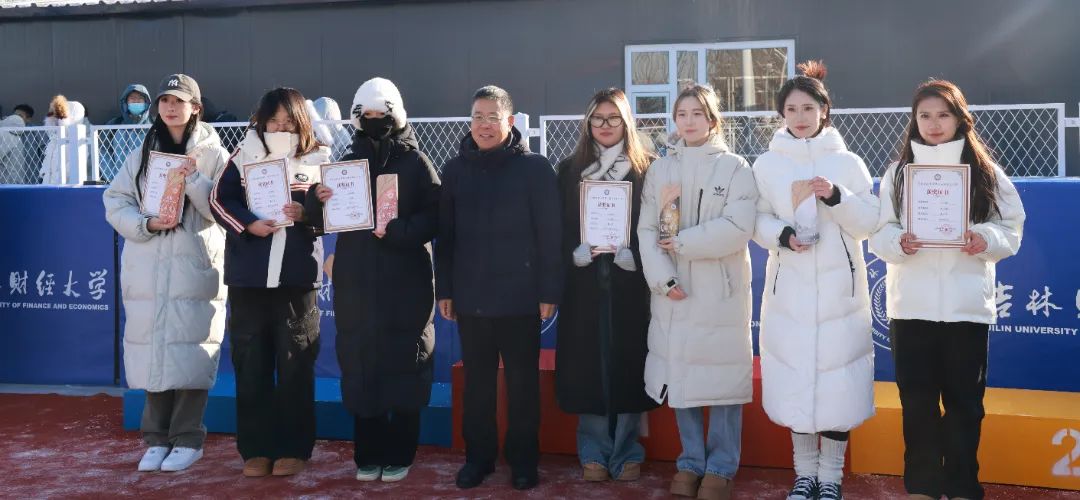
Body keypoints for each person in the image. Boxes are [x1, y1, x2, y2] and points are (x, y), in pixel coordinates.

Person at [868, 79, 1025, 500]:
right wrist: (898, 243)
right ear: (914, 121)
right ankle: (922, 486)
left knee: (965, 404)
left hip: (965, 308)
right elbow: (879, 232)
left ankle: (961, 486)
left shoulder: (985, 173)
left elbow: (1011, 228)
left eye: (943, 115)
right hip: (911, 308)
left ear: (959, 119)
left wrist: (984, 239)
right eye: (925, 115)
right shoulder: (897, 174)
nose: (934, 124)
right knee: (917, 403)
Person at [751, 61, 880, 500]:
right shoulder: (767, 165)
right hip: (789, 288)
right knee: (796, 382)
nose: (800, 116)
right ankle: (804, 476)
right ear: (781, 114)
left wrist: (837, 196)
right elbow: (756, 219)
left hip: (840, 293)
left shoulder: (847, 163)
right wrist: (781, 235)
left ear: (824, 110)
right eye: (791, 109)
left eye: (808, 107)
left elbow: (869, 222)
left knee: (837, 387)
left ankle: (831, 478)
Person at [305, 77, 440, 483]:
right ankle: (368, 453)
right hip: (357, 284)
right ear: (356, 118)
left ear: (396, 116)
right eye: (367, 115)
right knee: (362, 366)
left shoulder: (416, 163)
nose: (375, 121)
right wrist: (316, 200)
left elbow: (437, 216)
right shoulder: (345, 163)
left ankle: (400, 452)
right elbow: (320, 220)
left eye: (382, 114)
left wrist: (401, 231)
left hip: (406, 284)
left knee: (406, 363)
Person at [434, 85, 562, 491]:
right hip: (471, 299)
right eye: (477, 117)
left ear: (510, 121)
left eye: (492, 117)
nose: (484, 125)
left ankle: (523, 461)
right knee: (477, 387)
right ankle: (479, 459)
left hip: (521, 299)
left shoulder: (535, 169)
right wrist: (445, 289)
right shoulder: (454, 170)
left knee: (522, 387)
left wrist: (549, 291)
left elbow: (550, 234)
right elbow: (445, 237)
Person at [102, 73, 229, 473]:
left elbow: (223, 208)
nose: (170, 107)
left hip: (194, 265)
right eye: (164, 101)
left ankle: (188, 438)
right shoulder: (142, 151)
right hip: (148, 264)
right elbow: (115, 200)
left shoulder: (214, 153)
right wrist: (146, 224)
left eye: (179, 101)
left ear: (196, 108)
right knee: (154, 350)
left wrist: (193, 180)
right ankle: (156, 438)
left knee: (190, 352)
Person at [637, 84, 758, 500]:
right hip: (674, 291)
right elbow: (647, 229)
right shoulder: (661, 169)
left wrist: (683, 243)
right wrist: (663, 279)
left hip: (719, 293)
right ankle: (690, 461)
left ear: (712, 119)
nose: (689, 121)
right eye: (682, 114)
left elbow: (738, 227)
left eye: (697, 113)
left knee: (722, 380)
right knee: (681, 377)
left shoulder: (735, 168)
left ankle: (721, 467)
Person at [210, 87, 330, 478]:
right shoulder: (243, 153)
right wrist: (249, 223)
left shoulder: (319, 157)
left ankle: (294, 448)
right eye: (273, 121)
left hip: (297, 279)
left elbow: (336, 211)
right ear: (261, 122)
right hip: (249, 279)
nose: (280, 128)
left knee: (296, 365)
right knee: (251, 365)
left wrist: (306, 212)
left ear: (302, 123)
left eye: (288, 122)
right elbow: (219, 200)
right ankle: (256, 449)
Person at [553, 88, 657, 483]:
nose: (605, 125)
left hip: (630, 285)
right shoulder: (569, 170)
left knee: (630, 363)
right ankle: (593, 450)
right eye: (598, 118)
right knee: (587, 365)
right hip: (584, 285)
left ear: (627, 123)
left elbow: (659, 226)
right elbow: (557, 227)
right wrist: (573, 253)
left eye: (614, 118)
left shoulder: (647, 169)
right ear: (588, 123)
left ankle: (627, 449)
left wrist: (637, 256)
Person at [102, 84, 153, 180]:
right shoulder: (114, 124)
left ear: (146, 103)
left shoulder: (154, 125)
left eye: (140, 99)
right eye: (132, 98)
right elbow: (102, 151)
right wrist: (113, 177)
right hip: (119, 181)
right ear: (125, 103)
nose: (136, 101)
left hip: (148, 182)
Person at [40, 95, 86, 184]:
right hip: (48, 185)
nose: (57, 120)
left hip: (65, 186)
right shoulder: (54, 140)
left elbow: (72, 168)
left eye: (60, 117)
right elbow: (48, 161)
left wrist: (55, 180)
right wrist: (44, 173)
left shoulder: (78, 142)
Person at [0, 104, 34, 184]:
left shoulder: (35, 134)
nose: (17, 118)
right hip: (16, 181)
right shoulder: (10, 134)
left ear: (29, 119)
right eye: (15, 115)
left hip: (11, 182)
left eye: (20, 116)